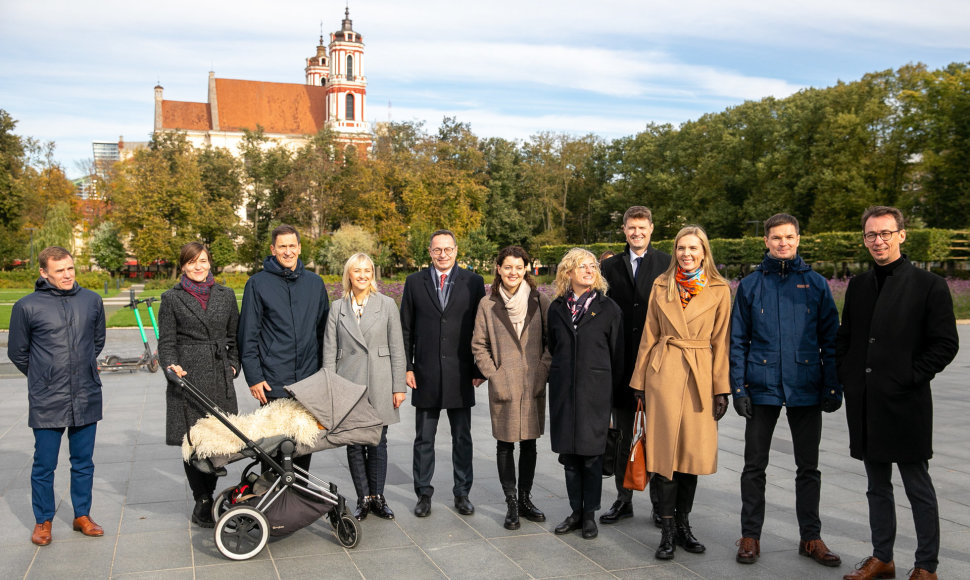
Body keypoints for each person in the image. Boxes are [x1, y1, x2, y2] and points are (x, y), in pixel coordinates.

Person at [837, 206, 958, 580]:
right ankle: (882, 558)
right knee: (876, 486)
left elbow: (945, 344)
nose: (879, 241)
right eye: (872, 235)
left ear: (902, 235)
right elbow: (848, 338)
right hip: (867, 401)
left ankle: (926, 565)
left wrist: (910, 376)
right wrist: (849, 376)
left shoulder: (929, 285)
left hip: (906, 401)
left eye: (886, 233)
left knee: (917, 486)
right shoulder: (858, 285)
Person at [729, 214, 842, 567]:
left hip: (806, 385)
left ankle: (811, 537)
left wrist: (833, 384)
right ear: (766, 241)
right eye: (776, 237)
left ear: (798, 239)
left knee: (809, 466)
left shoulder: (816, 284)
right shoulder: (750, 285)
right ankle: (750, 535)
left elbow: (832, 339)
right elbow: (737, 341)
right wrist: (738, 388)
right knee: (754, 466)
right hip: (761, 387)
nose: (783, 243)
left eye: (789, 237)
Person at [629, 226, 731, 560]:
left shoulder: (719, 289)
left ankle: (685, 525)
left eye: (693, 248)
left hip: (701, 374)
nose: (686, 254)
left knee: (691, 456)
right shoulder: (662, 284)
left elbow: (722, 342)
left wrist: (721, 389)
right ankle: (668, 530)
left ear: (704, 251)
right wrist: (639, 382)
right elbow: (649, 333)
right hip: (664, 373)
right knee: (664, 457)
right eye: (681, 248)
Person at [8, 246, 106, 546]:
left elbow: (97, 341)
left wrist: (82, 371)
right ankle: (43, 520)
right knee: (44, 463)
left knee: (83, 461)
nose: (67, 275)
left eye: (70, 269)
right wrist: (45, 376)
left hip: (86, 393)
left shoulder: (92, 300)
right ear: (44, 273)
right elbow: (17, 352)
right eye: (59, 270)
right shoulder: (26, 306)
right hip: (47, 398)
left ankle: (82, 515)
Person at [400, 229, 486, 517]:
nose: (443, 254)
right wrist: (407, 367)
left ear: (456, 250)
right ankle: (423, 493)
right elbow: (406, 329)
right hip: (425, 373)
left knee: (462, 438)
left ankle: (462, 493)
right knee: (424, 438)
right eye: (437, 250)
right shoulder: (414, 283)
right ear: (430, 252)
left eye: (448, 249)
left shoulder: (473, 282)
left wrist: (478, 367)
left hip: (461, 373)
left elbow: (480, 327)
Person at [157, 242, 240, 528]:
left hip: (219, 374)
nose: (198, 267)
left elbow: (234, 337)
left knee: (218, 437)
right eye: (191, 262)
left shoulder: (226, 295)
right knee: (192, 441)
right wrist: (171, 368)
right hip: (188, 377)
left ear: (209, 263)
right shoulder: (171, 299)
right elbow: (166, 343)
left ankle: (213, 493)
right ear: (182, 266)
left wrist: (233, 364)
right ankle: (202, 499)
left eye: (202, 261)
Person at [599, 206, 671, 527]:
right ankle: (623, 499)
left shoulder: (666, 263)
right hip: (620, 364)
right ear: (624, 230)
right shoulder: (609, 266)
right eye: (631, 228)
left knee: (656, 438)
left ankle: (659, 504)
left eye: (642, 227)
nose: (636, 233)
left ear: (651, 229)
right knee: (624, 436)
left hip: (656, 365)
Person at [471, 246, 552, 530]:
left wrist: (543, 370)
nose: (513, 273)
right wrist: (494, 374)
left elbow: (551, 343)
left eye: (519, 267)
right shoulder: (487, 303)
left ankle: (526, 498)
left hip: (532, 382)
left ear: (527, 269)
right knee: (505, 444)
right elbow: (478, 344)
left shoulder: (540, 301)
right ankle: (511, 503)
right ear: (498, 269)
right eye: (508, 267)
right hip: (504, 384)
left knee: (529, 443)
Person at [238, 224, 329, 472]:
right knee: (274, 447)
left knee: (303, 444)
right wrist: (254, 377)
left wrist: (324, 375)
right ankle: (271, 501)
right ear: (273, 249)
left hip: (308, 380)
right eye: (282, 247)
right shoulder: (257, 283)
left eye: (292, 246)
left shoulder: (315, 283)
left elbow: (324, 333)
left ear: (299, 248)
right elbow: (248, 335)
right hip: (273, 380)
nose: (287, 251)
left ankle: (296, 502)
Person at [322, 253, 407, 521]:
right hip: (348, 383)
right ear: (349, 274)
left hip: (380, 381)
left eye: (367, 270)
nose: (362, 275)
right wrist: (330, 387)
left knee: (378, 441)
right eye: (357, 270)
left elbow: (397, 348)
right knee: (355, 443)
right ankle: (363, 498)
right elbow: (329, 350)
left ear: (373, 274)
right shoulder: (338, 307)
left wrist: (398, 385)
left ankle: (379, 497)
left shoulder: (387, 304)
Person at [547, 248, 624, 540]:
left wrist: (612, 400)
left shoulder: (609, 309)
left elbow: (617, 356)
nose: (590, 270)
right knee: (569, 457)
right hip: (565, 395)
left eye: (593, 266)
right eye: (582, 266)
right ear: (568, 272)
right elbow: (554, 347)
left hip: (596, 395)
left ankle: (589, 513)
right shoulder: (556, 308)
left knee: (592, 457)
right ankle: (575, 512)